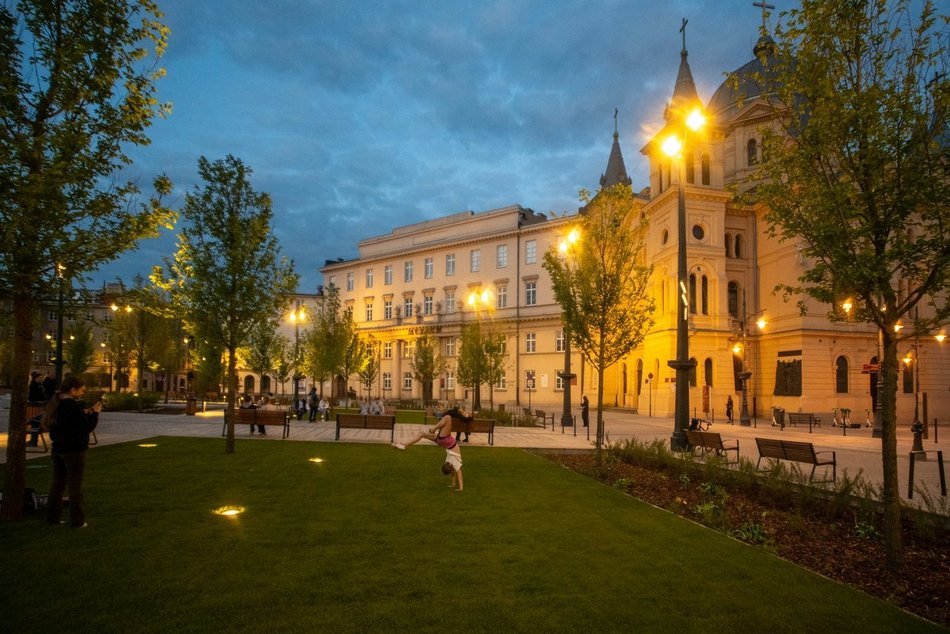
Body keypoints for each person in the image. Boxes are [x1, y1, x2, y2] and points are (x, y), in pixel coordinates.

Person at [45, 375, 100, 528]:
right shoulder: (71, 405)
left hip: (58, 449)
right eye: (81, 390)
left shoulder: (56, 403)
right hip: (74, 450)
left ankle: (52, 517)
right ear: (73, 390)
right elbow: (86, 427)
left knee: (58, 484)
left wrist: (85, 414)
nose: (82, 393)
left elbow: (72, 423)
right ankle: (78, 521)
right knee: (75, 486)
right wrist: (95, 413)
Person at [393, 414, 464, 491]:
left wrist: (459, 488)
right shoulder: (452, 465)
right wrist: (456, 487)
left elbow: (456, 474)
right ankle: (404, 445)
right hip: (442, 441)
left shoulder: (453, 464)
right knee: (422, 434)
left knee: (448, 418)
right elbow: (455, 474)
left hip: (445, 440)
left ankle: (432, 429)